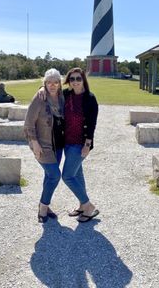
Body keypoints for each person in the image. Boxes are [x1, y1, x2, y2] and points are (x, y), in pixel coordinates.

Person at [24, 69, 65, 223]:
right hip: (43, 146)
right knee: (55, 175)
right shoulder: (40, 98)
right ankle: (43, 207)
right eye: (48, 82)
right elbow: (28, 123)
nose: (52, 85)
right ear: (45, 84)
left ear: (60, 84)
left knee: (49, 176)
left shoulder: (62, 97)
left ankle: (45, 206)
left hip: (58, 146)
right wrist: (34, 142)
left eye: (55, 82)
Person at [62, 67, 99, 222]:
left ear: (83, 79)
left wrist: (87, 144)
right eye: (72, 79)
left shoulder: (90, 99)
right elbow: (49, 93)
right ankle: (82, 206)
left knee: (67, 176)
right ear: (68, 81)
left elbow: (91, 124)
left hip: (80, 143)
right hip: (66, 142)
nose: (75, 82)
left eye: (78, 78)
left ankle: (88, 206)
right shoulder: (65, 95)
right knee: (77, 174)